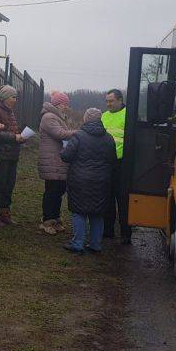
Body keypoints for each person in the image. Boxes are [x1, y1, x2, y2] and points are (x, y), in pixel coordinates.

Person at [60, 108, 117, 254]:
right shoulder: (109, 138)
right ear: (100, 120)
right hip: (102, 180)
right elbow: (113, 160)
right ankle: (95, 245)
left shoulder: (78, 136)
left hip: (80, 179)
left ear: (85, 119)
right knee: (97, 213)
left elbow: (66, 156)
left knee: (79, 211)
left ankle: (78, 244)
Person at [0, 85, 25, 226]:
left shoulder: (10, 112)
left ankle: (4, 212)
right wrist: (15, 137)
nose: (15, 100)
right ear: (5, 97)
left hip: (12, 153)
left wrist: (21, 136)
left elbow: (10, 130)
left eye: (16, 97)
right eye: (13, 97)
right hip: (2, 153)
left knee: (9, 183)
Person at [38, 91, 76, 235]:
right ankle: (47, 220)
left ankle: (55, 218)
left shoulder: (58, 117)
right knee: (52, 192)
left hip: (57, 161)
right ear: (59, 104)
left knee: (59, 190)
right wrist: (79, 132)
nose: (67, 107)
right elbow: (59, 134)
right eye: (65, 104)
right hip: (51, 161)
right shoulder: (49, 117)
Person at [103, 88, 130, 243]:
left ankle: (126, 233)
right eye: (107, 101)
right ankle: (108, 231)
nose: (108, 104)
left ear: (120, 100)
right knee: (107, 198)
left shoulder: (128, 115)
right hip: (106, 163)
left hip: (122, 164)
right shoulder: (104, 116)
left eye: (111, 101)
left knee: (123, 199)